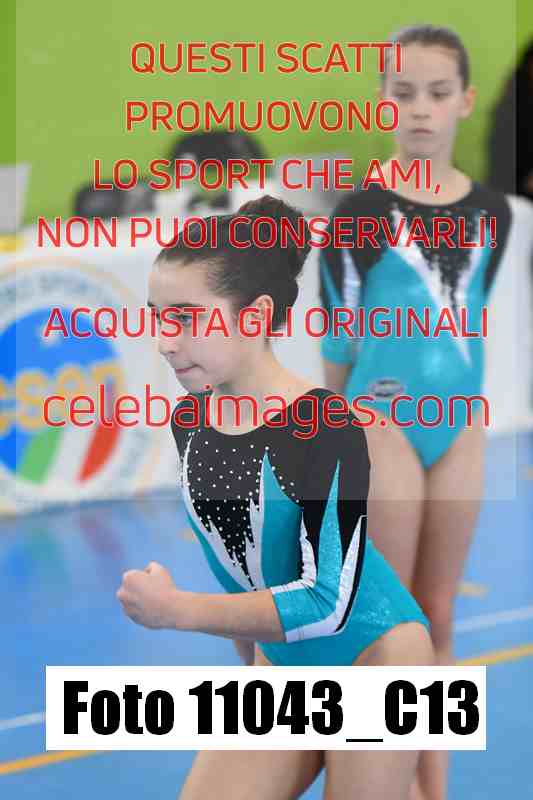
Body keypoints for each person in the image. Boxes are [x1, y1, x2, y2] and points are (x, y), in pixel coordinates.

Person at [117, 195, 433, 800]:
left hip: (375, 656)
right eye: (158, 318)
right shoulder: (190, 421)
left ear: (257, 315)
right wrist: (253, 667)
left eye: (187, 318)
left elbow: (327, 601)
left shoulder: (325, 427)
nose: (165, 341)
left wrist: (178, 610)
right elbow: (238, 564)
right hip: (284, 661)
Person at [318, 24, 512, 800]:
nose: (420, 109)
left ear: (464, 101)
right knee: (392, 626)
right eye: (402, 94)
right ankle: (384, 785)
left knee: (438, 614)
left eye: (436, 93)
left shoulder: (493, 212)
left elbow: (470, 319)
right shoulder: (359, 212)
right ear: (382, 104)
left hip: (457, 426)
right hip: (381, 425)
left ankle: (434, 790)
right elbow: (338, 336)